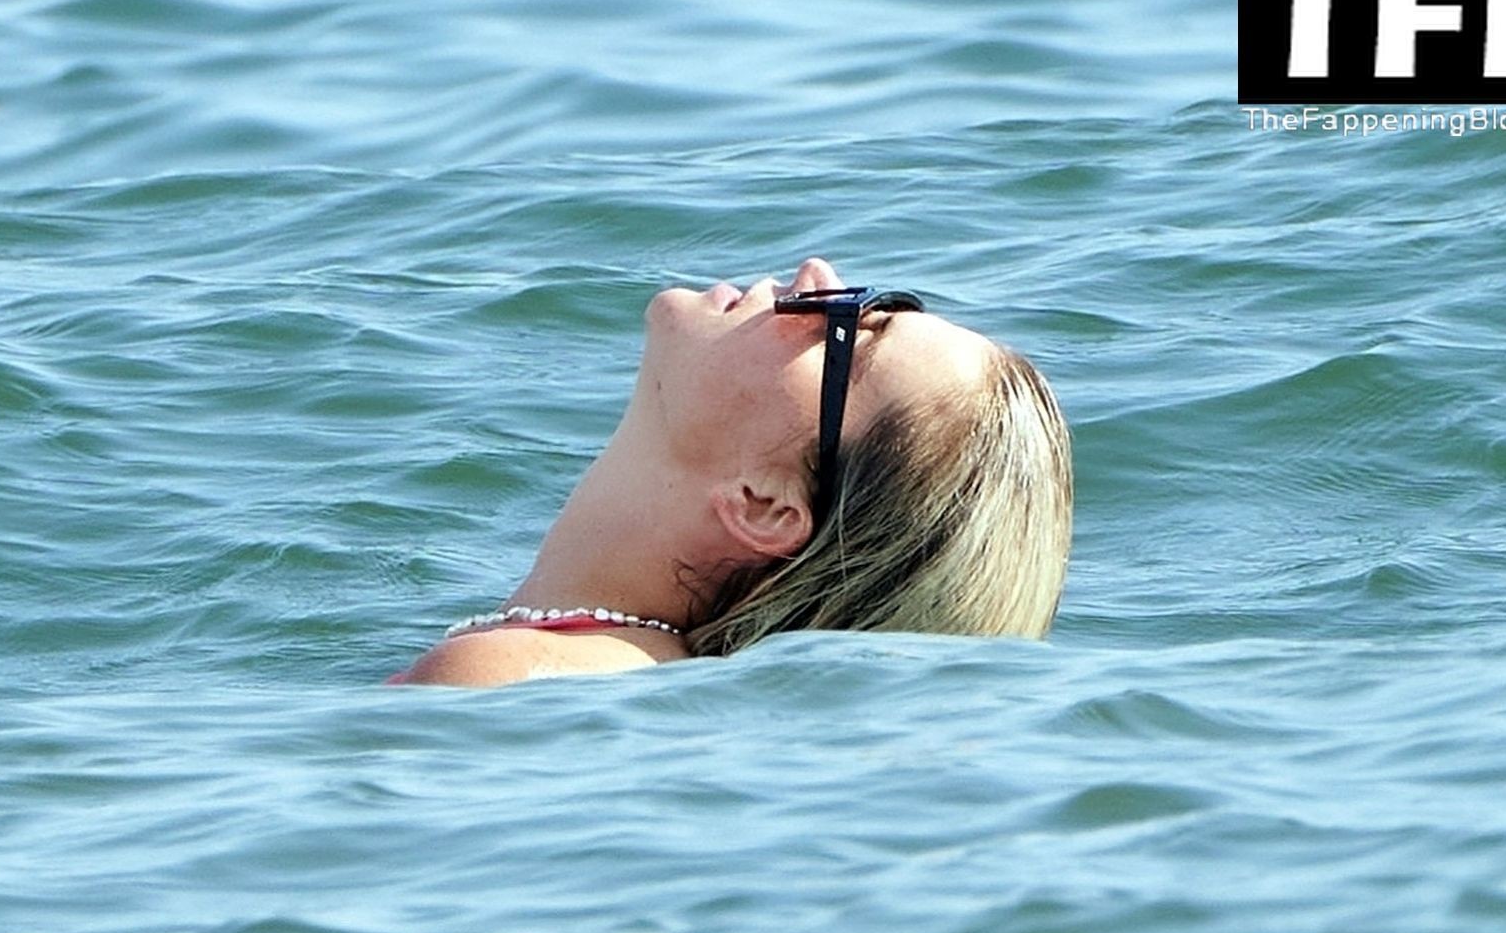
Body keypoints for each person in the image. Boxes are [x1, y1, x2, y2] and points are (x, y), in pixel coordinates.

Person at [390, 257, 1072, 687]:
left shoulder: (505, 677)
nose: (818, 275)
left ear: (765, 506)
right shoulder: (601, 670)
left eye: (849, 330)